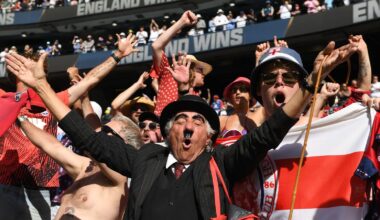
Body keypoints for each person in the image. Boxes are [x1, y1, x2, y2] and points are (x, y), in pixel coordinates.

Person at [7, 29, 353, 220]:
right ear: (169, 129)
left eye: (199, 120)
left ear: (210, 135)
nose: (188, 125)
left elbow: (269, 132)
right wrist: (40, 87)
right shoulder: (144, 161)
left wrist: (309, 84)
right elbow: (86, 135)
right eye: (181, 118)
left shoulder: (221, 163)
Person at [1, 32, 138, 219]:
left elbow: (90, 80)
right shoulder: (4, 102)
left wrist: (117, 56)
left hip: (40, 189)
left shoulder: (53, 102)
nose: (42, 73)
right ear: (17, 71)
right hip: (5, 184)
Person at [18, 112, 142, 220]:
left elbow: (88, 141)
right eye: (102, 130)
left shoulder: (121, 177)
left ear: (125, 145)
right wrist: (20, 118)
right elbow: (52, 146)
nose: (101, 135)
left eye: (107, 132)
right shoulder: (87, 166)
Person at [151, 10, 212, 115]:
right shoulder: (169, 76)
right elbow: (156, 46)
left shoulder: (195, 96)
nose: (203, 74)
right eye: (200, 70)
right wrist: (182, 22)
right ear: (190, 69)